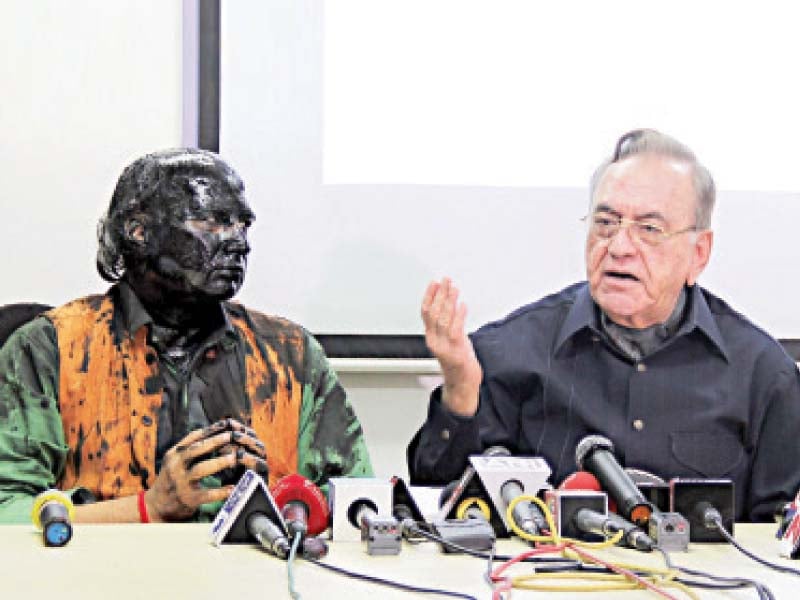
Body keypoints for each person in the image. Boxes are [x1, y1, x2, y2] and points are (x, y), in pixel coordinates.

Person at [408, 129, 800, 522]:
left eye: (649, 229)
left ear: (699, 253)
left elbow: (780, 538)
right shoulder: (508, 353)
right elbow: (439, 498)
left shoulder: (762, 376)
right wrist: (459, 388)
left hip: (698, 584)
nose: (618, 247)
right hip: (547, 581)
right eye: (606, 223)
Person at [0, 148, 372, 523]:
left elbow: (355, 504)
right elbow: (7, 511)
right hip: (100, 577)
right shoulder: (49, 350)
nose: (240, 243)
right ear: (138, 230)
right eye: (213, 223)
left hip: (257, 579)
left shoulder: (290, 355)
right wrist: (148, 508)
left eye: (243, 225)